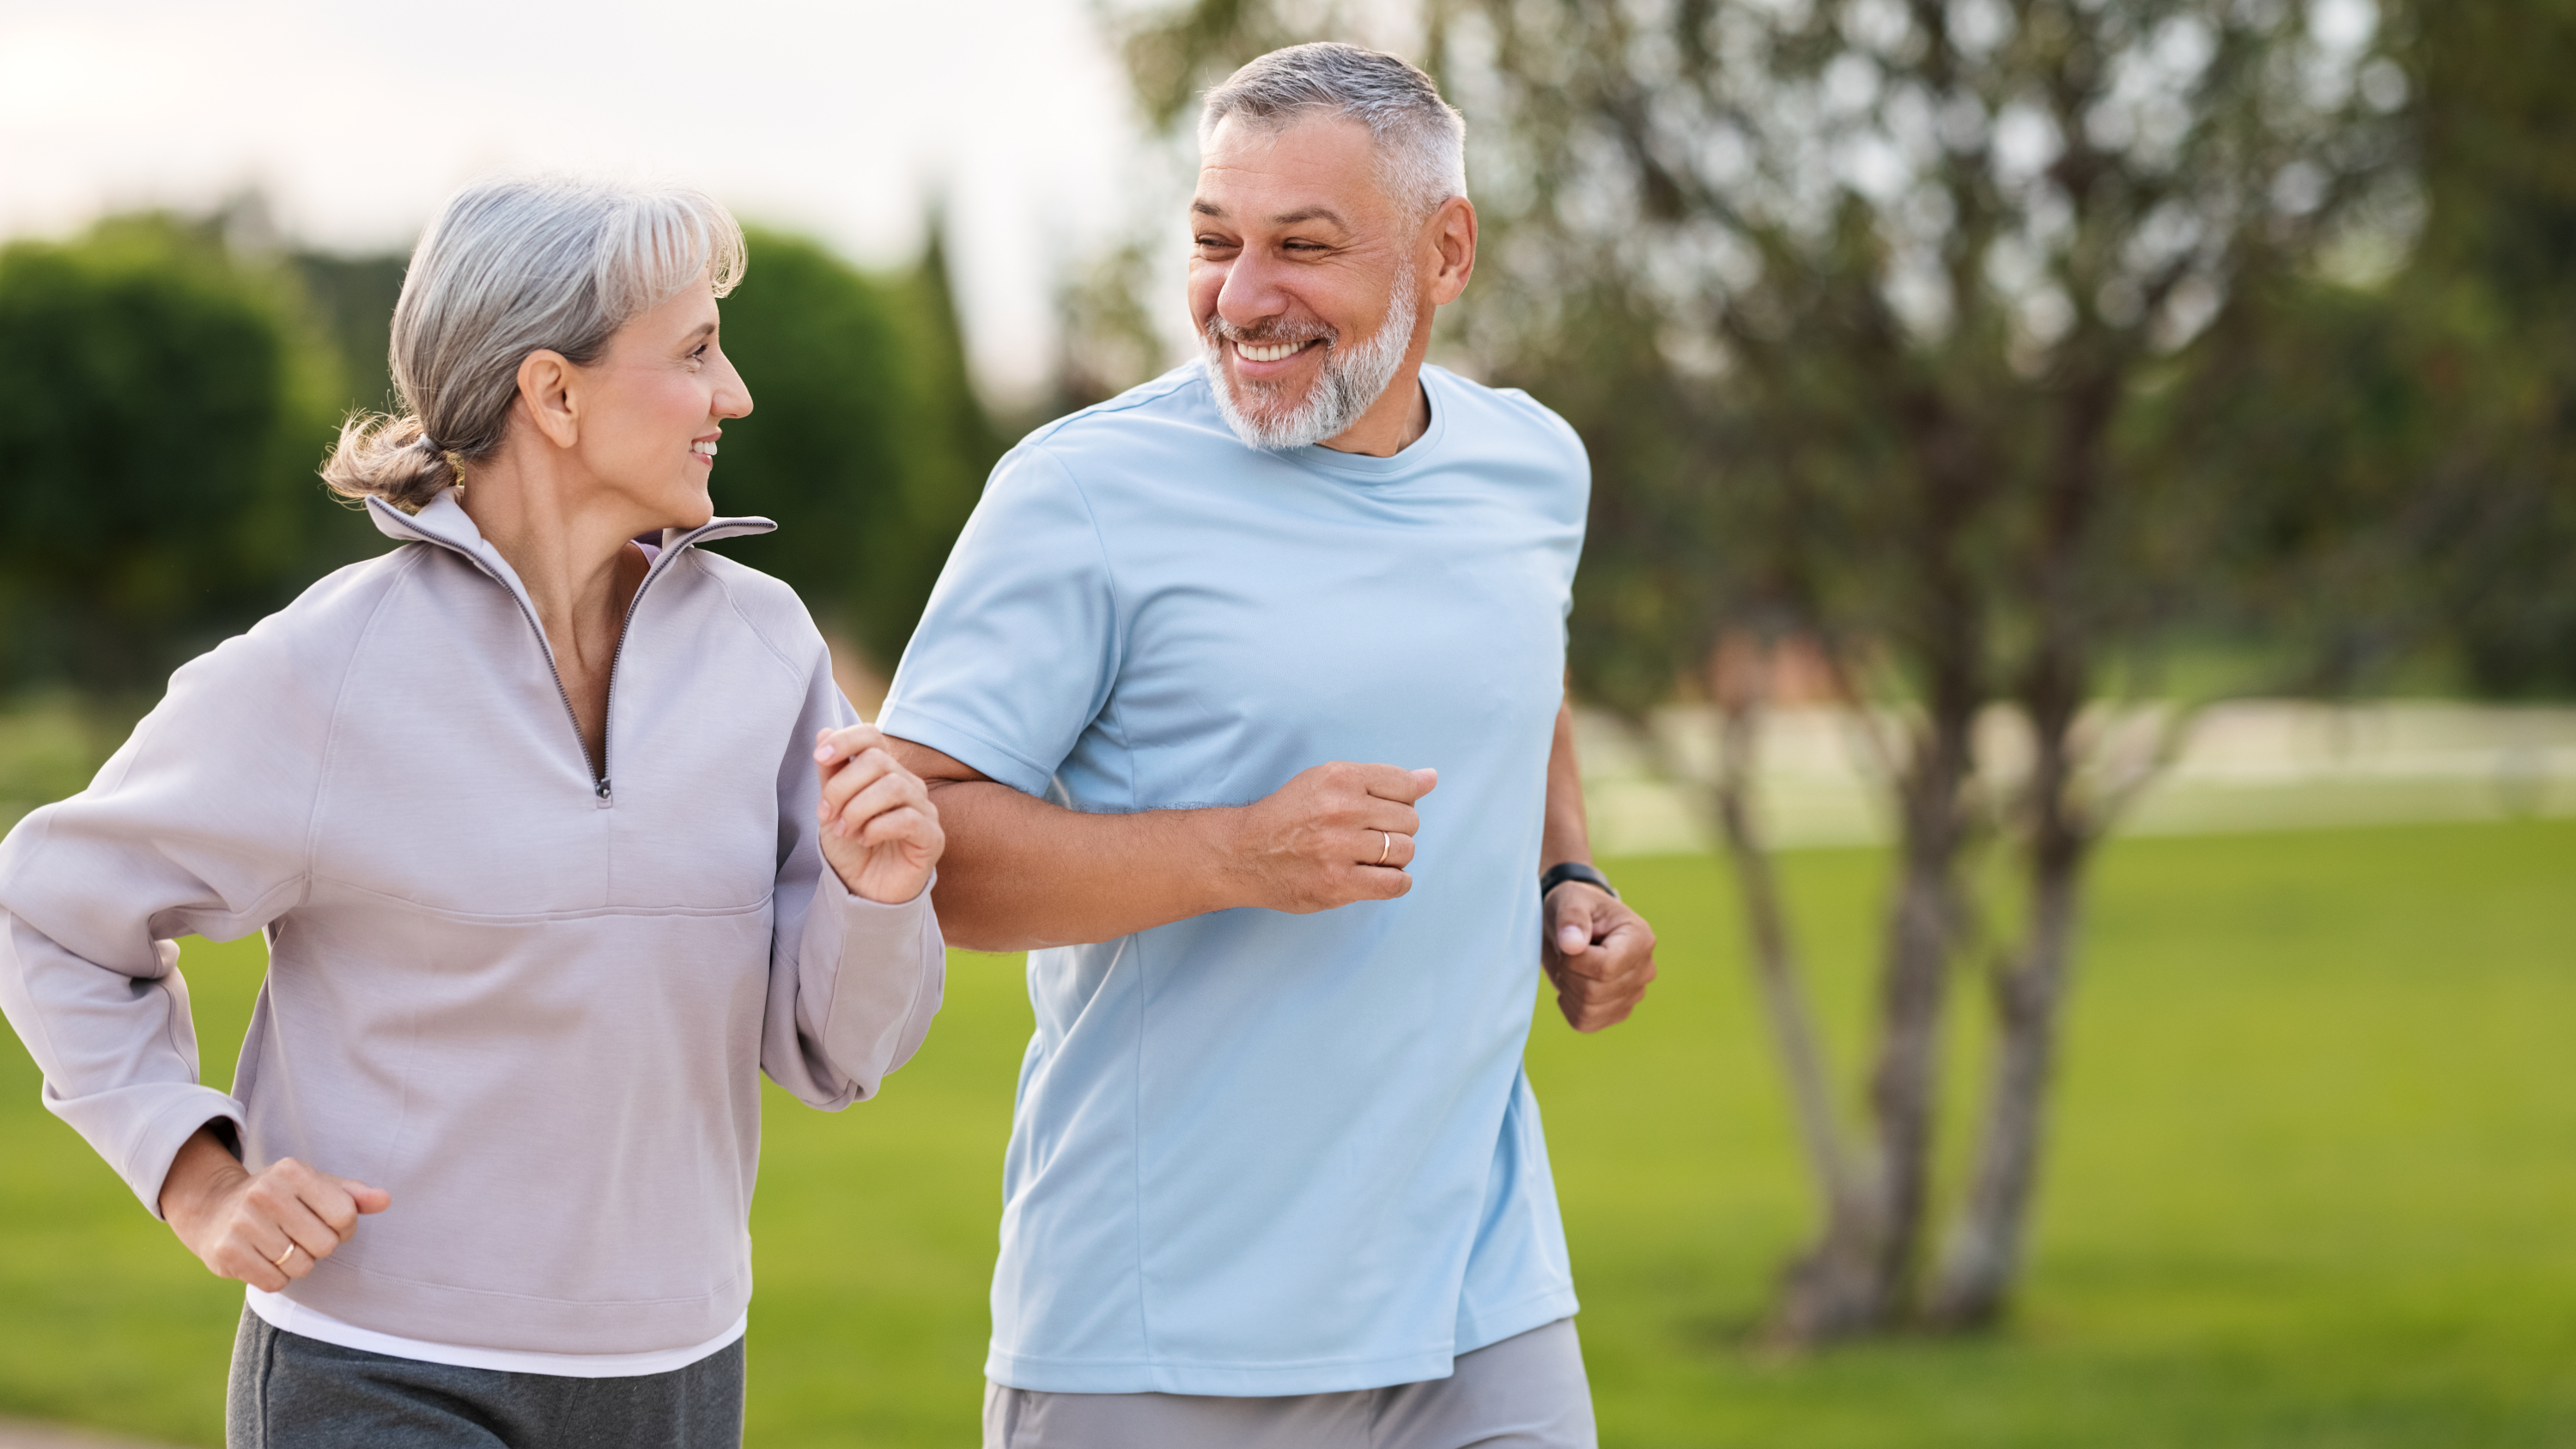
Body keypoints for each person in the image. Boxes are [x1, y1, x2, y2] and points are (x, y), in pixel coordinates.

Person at [0, 176, 947, 1449]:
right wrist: (195, 1173)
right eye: (697, 351)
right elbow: (44, 915)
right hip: (380, 1373)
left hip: (679, 1371)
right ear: (553, 394)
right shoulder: (324, 673)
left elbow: (837, 1054)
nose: (737, 395)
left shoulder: (768, 650)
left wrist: (876, 896)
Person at [878, 42, 1658, 1449]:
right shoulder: (1080, 493)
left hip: (1481, 1306)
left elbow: (1517, 671)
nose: (1241, 299)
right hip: (1162, 1336)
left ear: (1447, 250)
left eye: (1302, 247)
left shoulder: (1533, 467)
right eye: (1214, 242)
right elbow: (920, 851)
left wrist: (1568, 881)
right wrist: (1237, 852)